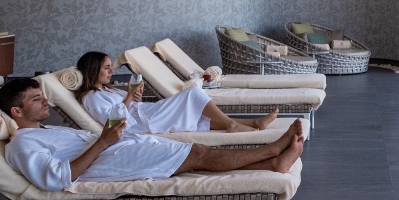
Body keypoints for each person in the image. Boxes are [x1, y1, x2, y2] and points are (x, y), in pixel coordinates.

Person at [0, 78, 303, 191]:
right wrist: (103, 141)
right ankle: (270, 150)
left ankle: (273, 166)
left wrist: (108, 139)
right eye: (36, 100)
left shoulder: (45, 130)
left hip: (120, 147)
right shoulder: (22, 145)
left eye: (43, 96)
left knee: (192, 158)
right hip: (112, 162)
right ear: (16, 112)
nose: (46, 102)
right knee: (196, 153)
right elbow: (57, 178)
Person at [74, 51, 277, 134]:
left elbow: (128, 106)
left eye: (111, 67)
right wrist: (128, 96)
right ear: (93, 71)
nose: (112, 71)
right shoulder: (92, 97)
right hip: (141, 125)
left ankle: (254, 124)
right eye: (106, 68)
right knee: (193, 95)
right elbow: (112, 123)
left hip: (146, 112)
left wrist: (135, 96)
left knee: (198, 118)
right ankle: (232, 124)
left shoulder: (105, 90)